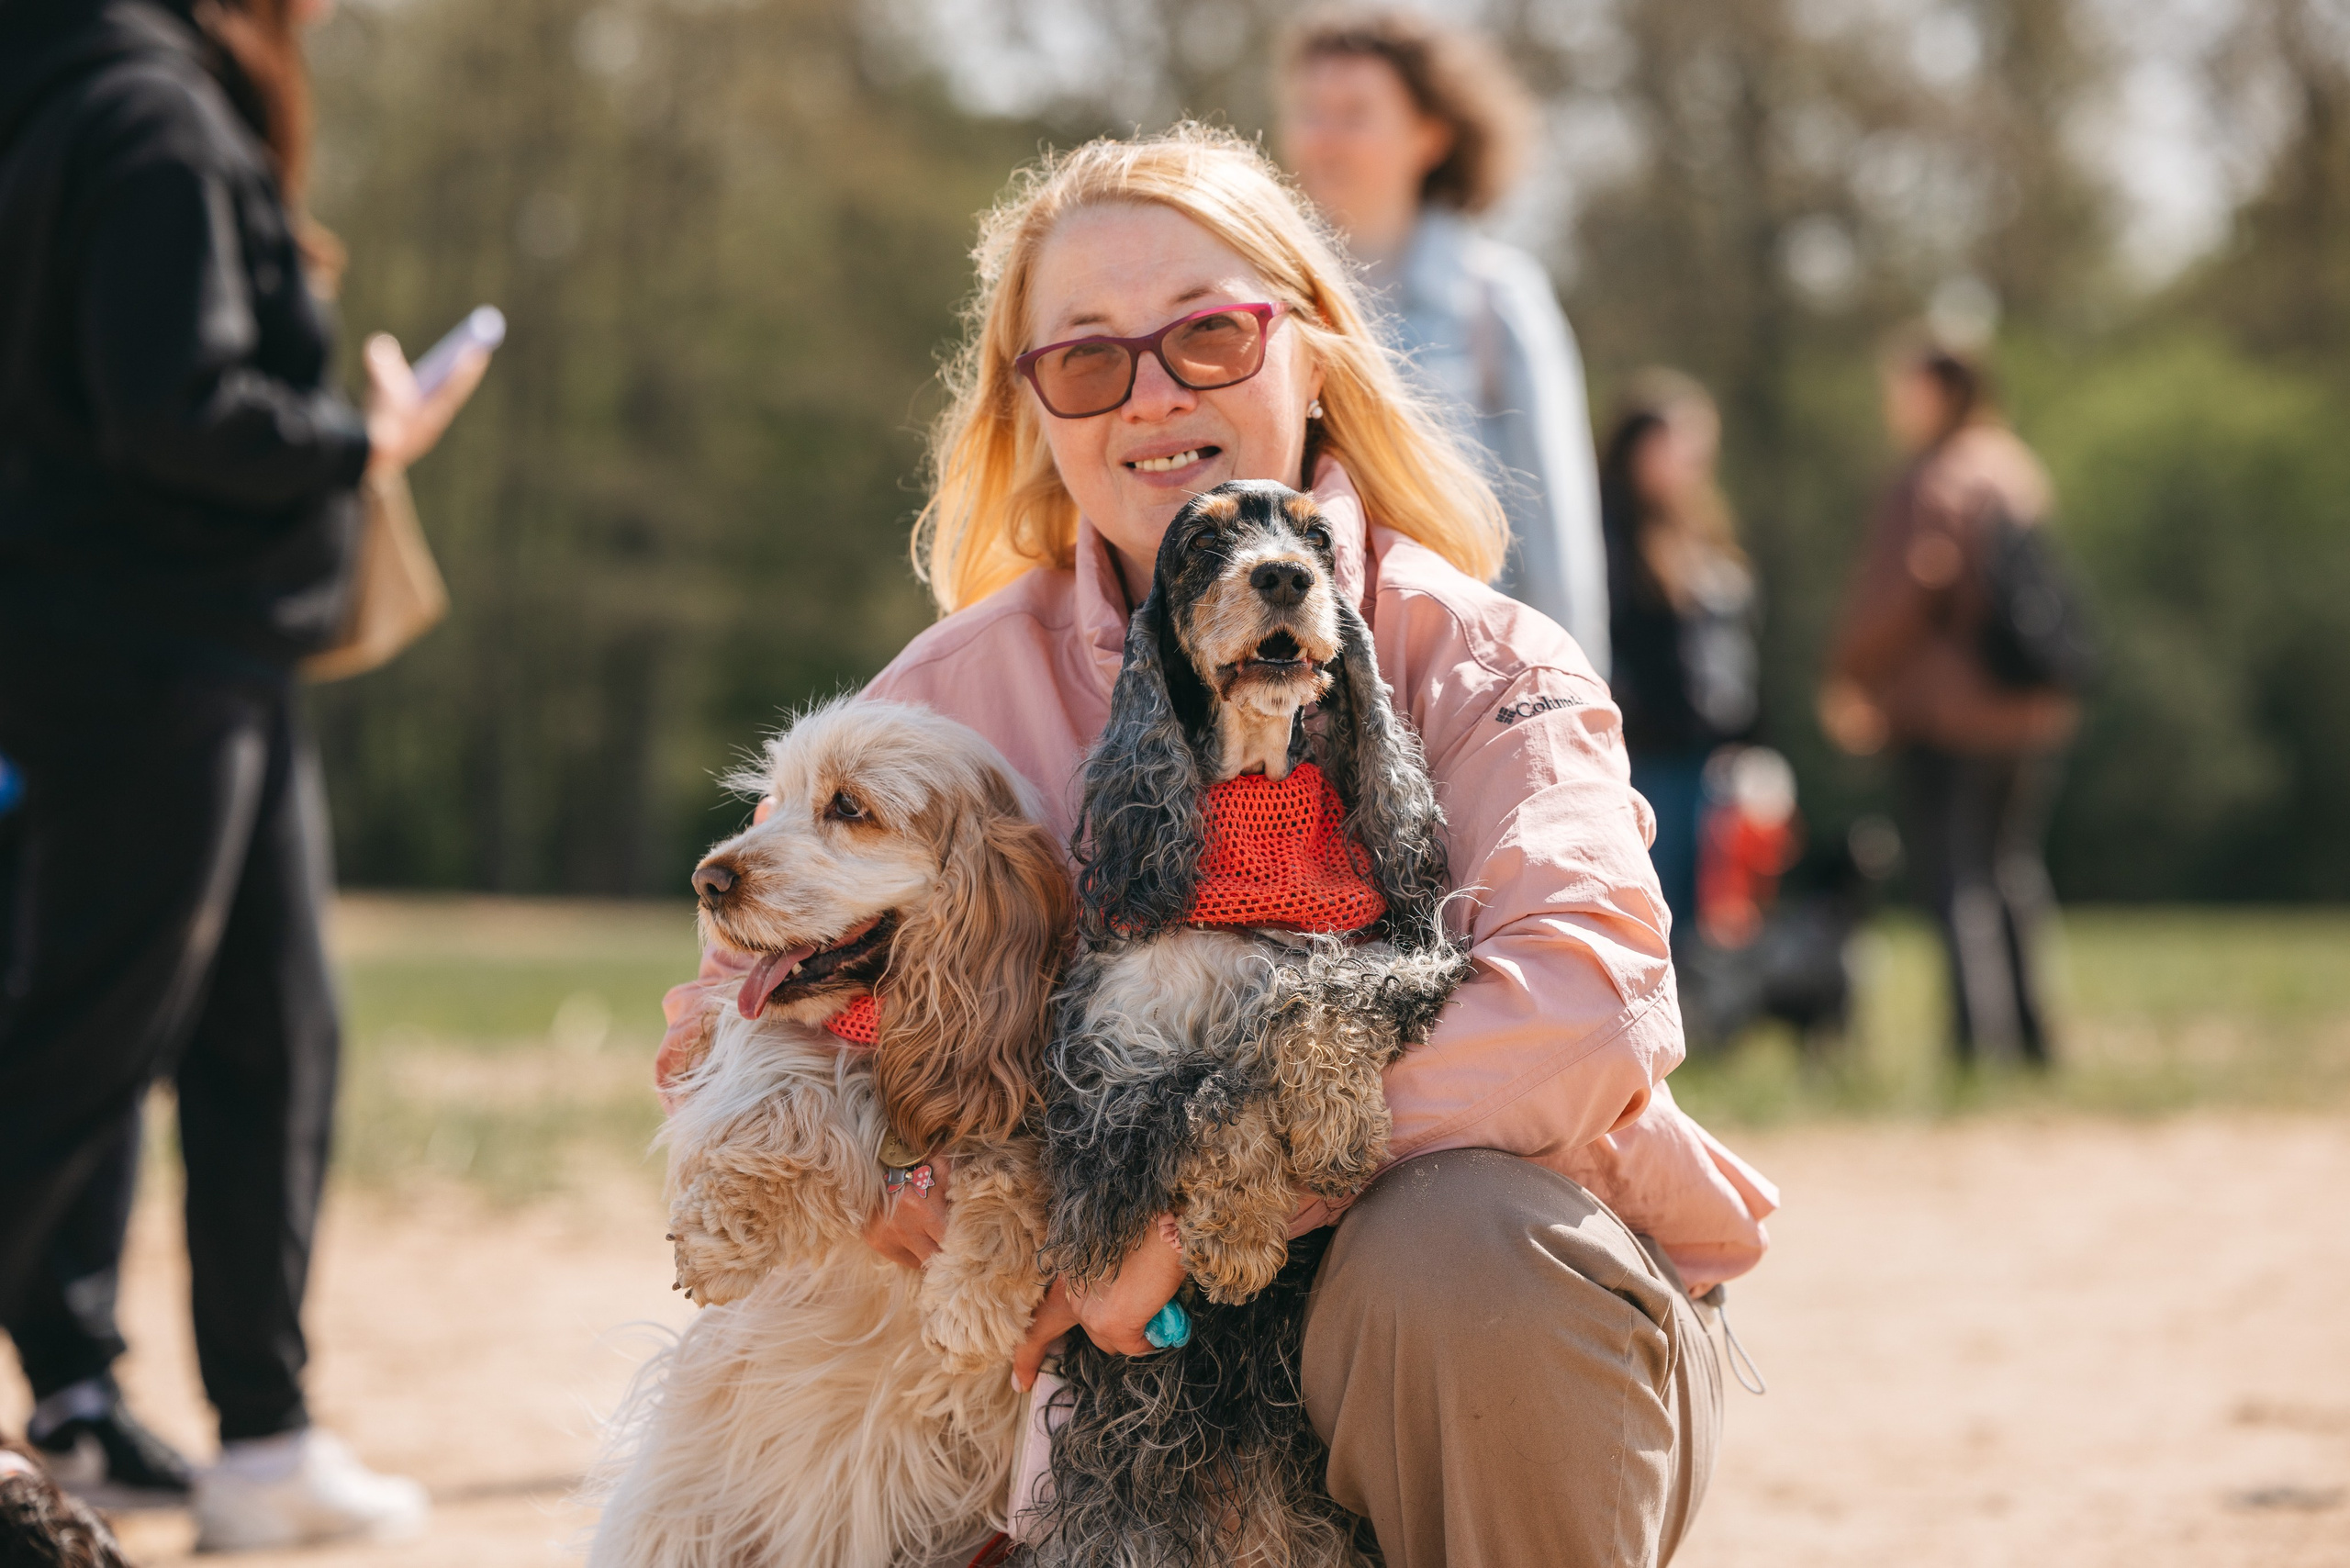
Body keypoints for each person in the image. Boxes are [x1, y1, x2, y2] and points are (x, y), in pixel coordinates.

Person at [660, 125, 1775, 1567]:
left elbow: (1590, 1004)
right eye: (1086, 360)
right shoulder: (940, 706)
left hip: (1456, 1362)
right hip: (1088, 1417)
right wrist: (912, 1195)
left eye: (1209, 335)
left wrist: (1194, 1213)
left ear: (1314, 353)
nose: (1152, 395)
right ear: (1032, 409)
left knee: (1467, 1250)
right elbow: (729, 1009)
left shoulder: (1480, 659)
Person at [0, 0, 485, 1546]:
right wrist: (362, 441)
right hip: (151, 658)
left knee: (273, 1035)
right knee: (83, 1041)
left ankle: (265, 1440)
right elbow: (175, 407)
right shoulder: (151, 122)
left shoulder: (80, 86)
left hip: (193, 654)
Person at [1276, 7, 1613, 674]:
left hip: (1465, 687)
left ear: (1430, 136)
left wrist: (1578, 700)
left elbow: (1557, 538)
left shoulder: (1500, 299)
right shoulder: (1263, 297)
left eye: (1354, 113)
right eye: (1310, 111)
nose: (1323, 137)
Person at [1820, 330, 2078, 1065]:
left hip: (1948, 713)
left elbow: (1901, 590)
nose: (1892, 402)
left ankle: (1977, 1041)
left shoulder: (1931, 478)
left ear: (1939, 390)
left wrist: (1850, 674)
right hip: (2027, 706)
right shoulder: (2013, 466)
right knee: (2012, 868)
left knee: (1956, 876)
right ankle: (2033, 1037)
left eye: (1903, 386)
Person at [1597, 371, 1760, 949]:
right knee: (1655, 893)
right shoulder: (1608, 531)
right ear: (1636, 448)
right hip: (1648, 748)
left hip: (1707, 745)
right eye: (1675, 443)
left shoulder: (1700, 525)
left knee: (1705, 901)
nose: (1691, 458)